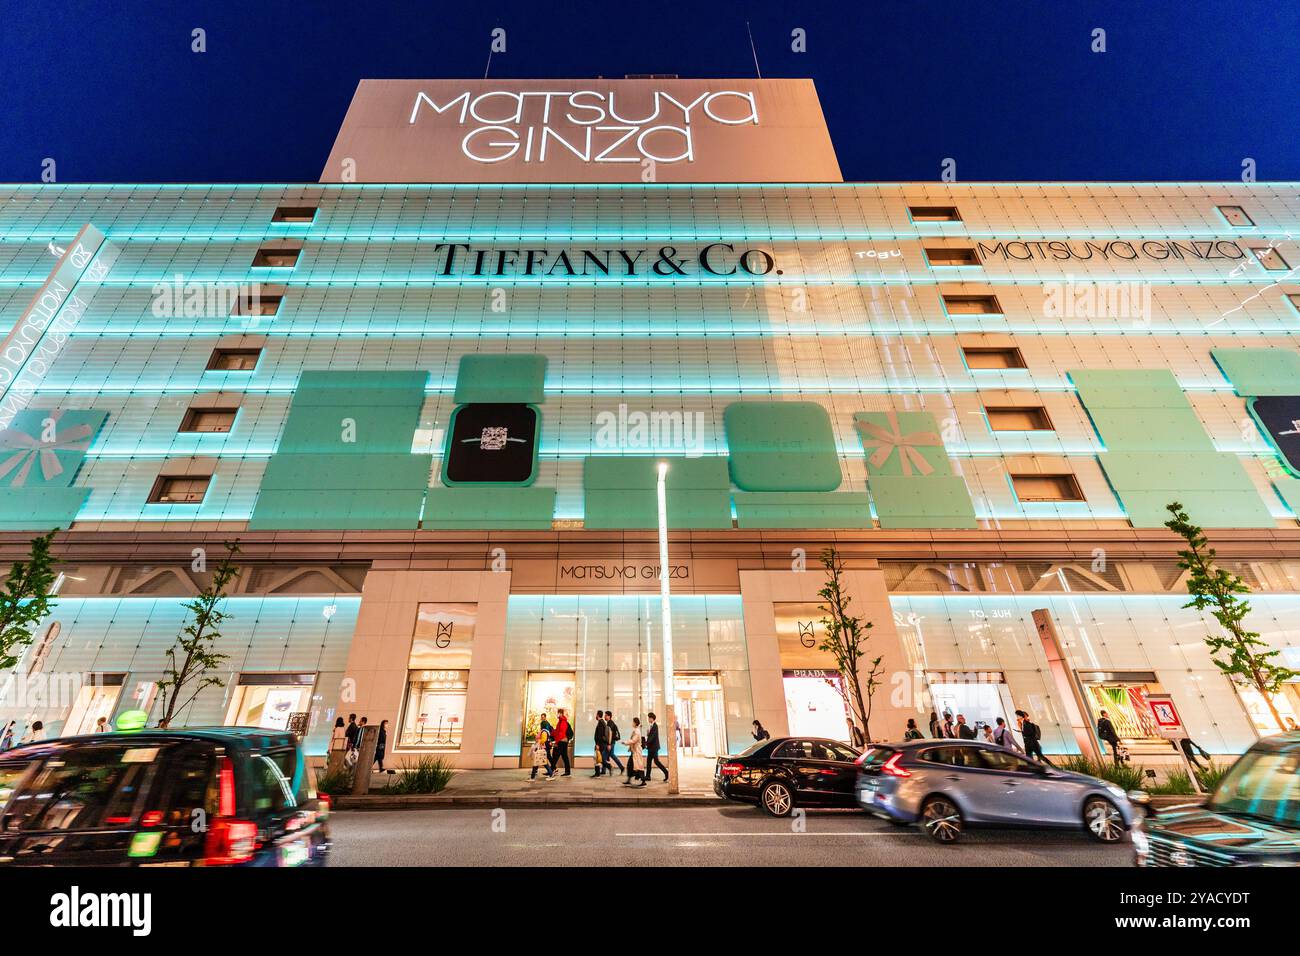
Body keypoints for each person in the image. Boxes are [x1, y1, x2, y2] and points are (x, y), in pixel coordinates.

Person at [641, 711, 668, 785]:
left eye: (649, 718)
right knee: (649, 761)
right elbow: (650, 736)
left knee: (656, 761)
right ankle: (648, 776)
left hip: (654, 747)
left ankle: (666, 773)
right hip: (651, 747)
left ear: (652, 718)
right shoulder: (651, 726)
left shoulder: (655, 726)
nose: (648, 719)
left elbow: (653, 737)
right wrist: (648, 734)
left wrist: (646, 743)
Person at [548, 708, 573, 777]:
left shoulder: (563, 722)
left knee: (555, 756)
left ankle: (551, 771)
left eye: (558, 713)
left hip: (562, 741)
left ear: (561, 714)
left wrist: (556, 742)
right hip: (562, 741)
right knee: (564, 756)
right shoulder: (560, 721)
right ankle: (567, 772)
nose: (557, 714)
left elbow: (561, 733)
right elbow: (557, 731)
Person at [622, 717, 645, 785]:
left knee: (638, 766)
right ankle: (629, 779)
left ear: (635, 723)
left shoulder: (637, 731)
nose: (632, 723)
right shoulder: (636, 730)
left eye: (633, 722)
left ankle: (643, 780)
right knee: (631, 765)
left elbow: (634, 740)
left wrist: (625, 742)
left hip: (636, 751)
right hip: (634, 751)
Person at [604, 710, 624, 774]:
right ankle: (621, 767)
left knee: (603, 757)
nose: (605, 716)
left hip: (611, 743)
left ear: (609, 716)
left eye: (606, 715)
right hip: (612, 742)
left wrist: (609, 744)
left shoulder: (610, 723)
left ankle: (609, 767)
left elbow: (610, 734)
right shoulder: (610, 723)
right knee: (612, 755)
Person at [592, 710, 609, 777]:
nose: (595, 716)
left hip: (600, 744)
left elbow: (600, 735)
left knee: (597, 758)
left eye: (596, 714)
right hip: (601, 744)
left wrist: (597, 744)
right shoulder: (602, 722)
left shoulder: (601, 723)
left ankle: (598, 773)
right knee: (598, 758)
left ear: (598, 715)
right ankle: (598, 772)